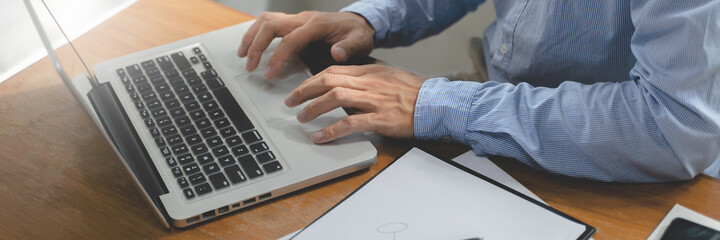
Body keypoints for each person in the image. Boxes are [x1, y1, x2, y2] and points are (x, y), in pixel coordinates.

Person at [237, 0, 720, 182]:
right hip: (496, 110)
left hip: (616, 169)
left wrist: (437, 101)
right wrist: (371, 18)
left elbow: (672, 128)